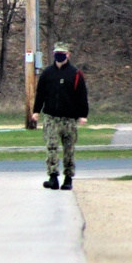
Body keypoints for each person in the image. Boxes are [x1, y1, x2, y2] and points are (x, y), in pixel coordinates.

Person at [32, 42, 89, 190]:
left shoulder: (75, 74)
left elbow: (82, 95)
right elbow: (40, 93)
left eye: (62, 53)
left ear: (68, 55)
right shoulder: (47, 73)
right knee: (51, 147)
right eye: (57, 52)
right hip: (51, 117)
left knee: (69, 149)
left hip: (69, 118)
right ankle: (52, 177)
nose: (59, 55)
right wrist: (36, 111)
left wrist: (83, 115)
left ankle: (68, 178)